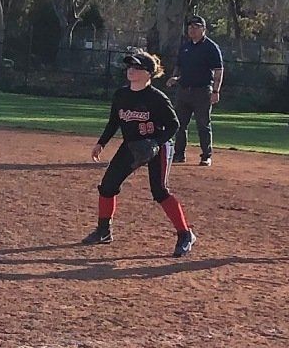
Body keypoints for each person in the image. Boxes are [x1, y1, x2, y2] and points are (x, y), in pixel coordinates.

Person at [85, 49, 194, 259]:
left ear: (148, 73)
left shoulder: (157, 98)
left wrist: (155, 143)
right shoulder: (121, 95)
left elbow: (174, 125)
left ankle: (185, 234)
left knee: (159, 191)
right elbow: (114, 121)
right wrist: (101, 143)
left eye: (137, 67)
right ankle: (103, 231)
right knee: (107, 186)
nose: (131, 70)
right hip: (131, 145)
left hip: (157, 146)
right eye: (130, 67)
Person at [170, 13, 224, 166]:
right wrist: (175, 77)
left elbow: (218, 70)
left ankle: (206, 155)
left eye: (196, 27)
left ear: (204, 29)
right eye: (190, 27)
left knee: (203, 124)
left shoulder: (211, 47)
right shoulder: (185, 47)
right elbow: (179, 67)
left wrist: (215, 91)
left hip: (202, 91)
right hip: (183, 91)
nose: (192, 30)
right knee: (179, 124)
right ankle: (179, 154)